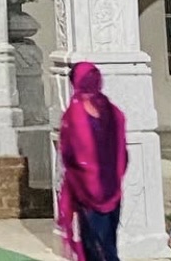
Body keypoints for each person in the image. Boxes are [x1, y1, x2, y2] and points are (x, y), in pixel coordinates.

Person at [57, 61, 128, 261]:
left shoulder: (74, 116)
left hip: (87, 192)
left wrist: (81, 180)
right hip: (112, 189)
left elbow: (68, 154)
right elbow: (123, 154)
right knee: (109, 246)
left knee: (95, 248)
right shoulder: (115, 113)